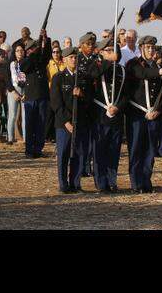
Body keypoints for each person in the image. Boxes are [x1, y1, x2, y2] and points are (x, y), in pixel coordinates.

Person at [124, 35, 162, 194]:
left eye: (153, 48)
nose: (151, 50)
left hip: (154, 116)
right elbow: (143, 73)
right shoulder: (133, 64)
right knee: (136, 149)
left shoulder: (158, 66)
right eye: (148, 48)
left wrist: (158, 110)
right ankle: (136, 182)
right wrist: (161, 70)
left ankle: (146, 181)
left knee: (150, 150)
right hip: (137, 115)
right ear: (141, 49)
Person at [50, 45, 91, 194]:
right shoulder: (58, 78)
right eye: (71, 57)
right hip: (64, 124)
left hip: (80, 122)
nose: (74, 60)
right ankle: (63, 184)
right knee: (63, 155)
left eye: (76, 57)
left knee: (79, 154)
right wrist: (66, 122)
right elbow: (56, 103)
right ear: (65, 59)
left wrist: (82, 95)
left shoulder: (83, 78)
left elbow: (89, 102)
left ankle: (75, 183)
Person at [88, 41, 126, 194]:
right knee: (100, 151)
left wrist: (118, 107)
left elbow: (126, 93)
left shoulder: (121, 71)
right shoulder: (96, 66)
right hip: (100, 116)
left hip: (116, 116)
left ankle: (112, 180)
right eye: (107, 50)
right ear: (101, 52)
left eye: (113, 50)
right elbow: (93, 75)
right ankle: (101, 183)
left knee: (114, 151)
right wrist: (107, 61)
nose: (111, 52)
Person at [18, 29, 51, 159]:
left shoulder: (41, 60)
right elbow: (24, 67)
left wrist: (46, 39)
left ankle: (38, 149)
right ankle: (29, 150)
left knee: (41, 124)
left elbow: (47, 54)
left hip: (42, 95)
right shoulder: (26, 61)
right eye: (31, 49)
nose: (33, 50)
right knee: (30, 124)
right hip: (31, 96)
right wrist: (34, 53)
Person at [75, 32, 99, 178]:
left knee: (91, 138)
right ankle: (81, 166)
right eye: (88, 44)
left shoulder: (96, 59)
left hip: (94, 102)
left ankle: (88, 165)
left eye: (92, 44)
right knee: (81, 139)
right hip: (81, 103)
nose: (90, 47)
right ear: (81, 45)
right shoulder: (77, 60)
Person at [7, 42, 27, 144]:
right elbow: (7, 79)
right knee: (13, 114)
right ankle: (10, 138)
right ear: (14, 52)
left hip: (25, 90)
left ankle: (26, 139)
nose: (20, 52)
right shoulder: (11, 63)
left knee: (25, 115)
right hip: (13, 89)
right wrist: (12, 91)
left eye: (21, 50)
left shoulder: (27, 63)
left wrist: (26, 93)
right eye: (17, 51)